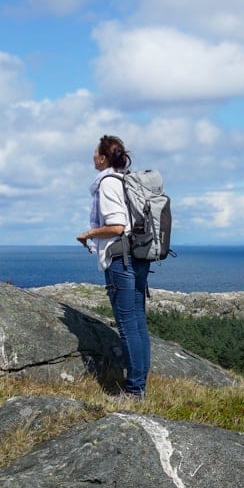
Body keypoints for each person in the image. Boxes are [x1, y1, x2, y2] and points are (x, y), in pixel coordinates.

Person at [76, 135, 150, 399]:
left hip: (120, 259)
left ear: (104, 158)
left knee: (128, 325)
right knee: (138, 323)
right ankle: (140, 384)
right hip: (138, 256)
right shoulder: (126, 180)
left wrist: (90, 233)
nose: (93, 157)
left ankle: (134, 390)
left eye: (96, 153)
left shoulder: (107, 183)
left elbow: (117, 226)